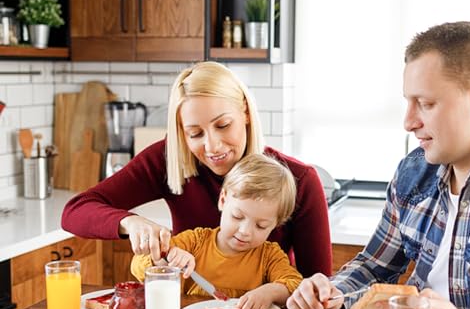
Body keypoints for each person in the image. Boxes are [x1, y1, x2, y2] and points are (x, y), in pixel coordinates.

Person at [287, 21, 470, 309]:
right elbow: (374, 267)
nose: (409, 121)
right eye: (408, 102)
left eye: (426, 104)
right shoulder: (413, 173)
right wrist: (333, 294)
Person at [61, 61, 332, 278]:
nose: (212, 146)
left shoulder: (299, 180)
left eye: (223, 125)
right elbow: (75, 210)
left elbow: (318, 285)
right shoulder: (170, 158)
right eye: (194, 133)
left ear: (246, 113)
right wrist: (130, 222)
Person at [130, 154, 303, 309]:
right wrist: (163, 260)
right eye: (237, 216)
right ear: (222, 200)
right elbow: (139, 265)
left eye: (261, 226)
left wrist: (270, 292)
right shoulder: (195, 241)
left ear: (276, 224)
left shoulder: (269, 256)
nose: (245, 231)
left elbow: (295, 285)